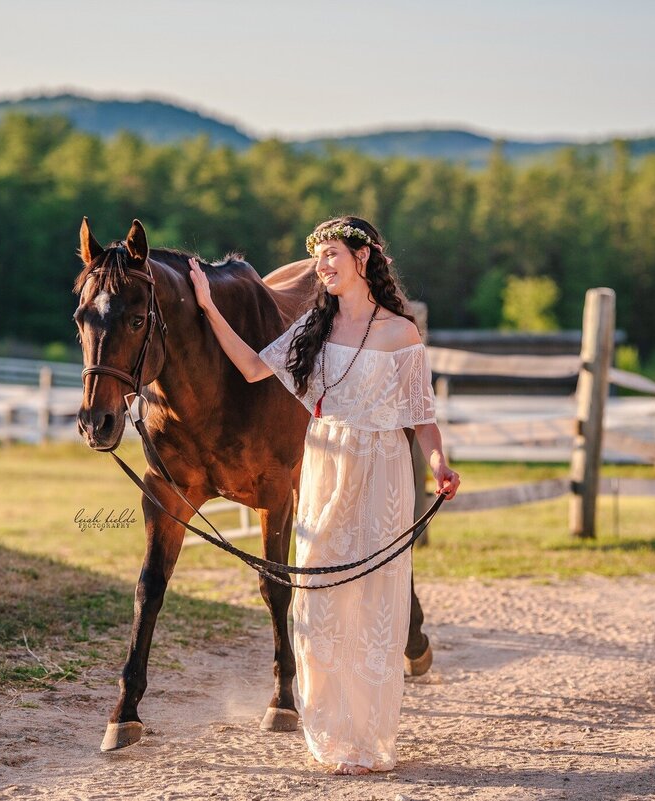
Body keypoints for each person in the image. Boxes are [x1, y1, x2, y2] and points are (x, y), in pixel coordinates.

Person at [188, 215, 461, 775]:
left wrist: (439, 463)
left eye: (332, 253)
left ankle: (368, 737)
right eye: (319, 257)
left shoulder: (400, 333)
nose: (323, 266)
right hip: (326, 467)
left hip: (382, 471)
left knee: (373, 606)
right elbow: (248, 367)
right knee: (319, 603)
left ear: (364, 258)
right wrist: (208, 307)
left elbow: (422, 418)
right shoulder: (313, 327)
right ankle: (331, 733)